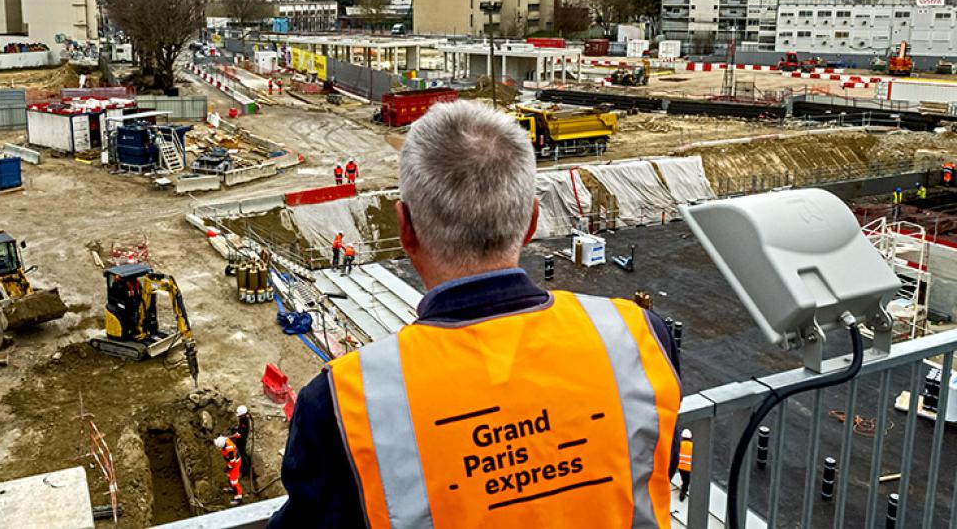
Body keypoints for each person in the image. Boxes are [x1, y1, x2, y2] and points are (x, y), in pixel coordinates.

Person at [269, 100, 682, 529]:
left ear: (405, 227)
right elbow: (651, 472)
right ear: (531, 221)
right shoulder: (639, 337)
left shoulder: (343, 403)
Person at [214, 435, 243, 504]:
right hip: (231, 461)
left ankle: (238, 498)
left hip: (235, 463)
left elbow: (232, 461)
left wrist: (228, 467)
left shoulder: (230, 449)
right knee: (229, 475)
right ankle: (231, 488)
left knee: (234, 481)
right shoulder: (224, 440)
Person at [231, 406, 253, 480]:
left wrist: (230, 437)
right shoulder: (243, 419)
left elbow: (239, 434)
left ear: (243, 415)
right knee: (240, 452)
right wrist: (236, 429)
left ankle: (244, 470)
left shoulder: (244, 422)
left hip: (242, 440)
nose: (239, 417)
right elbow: (239, 428)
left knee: (240, 454)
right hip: (241, 438)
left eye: (240, 416)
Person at [678, 428, 693, 501]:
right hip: (688, 467)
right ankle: (682, 495)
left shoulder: (680, 444)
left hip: (680, 466)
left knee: (684, 479)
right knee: (686, 481)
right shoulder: (692, 446)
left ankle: (683, 488)